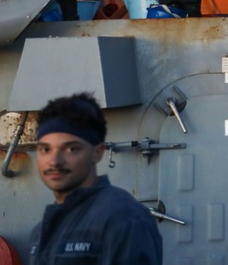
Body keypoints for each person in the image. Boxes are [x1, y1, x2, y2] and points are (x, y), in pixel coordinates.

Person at [29, 92, 162, 264]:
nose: (55, 161)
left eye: (72, 149)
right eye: (45, 150)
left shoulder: (124, 219)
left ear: (97, 152)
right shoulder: (40, 232)